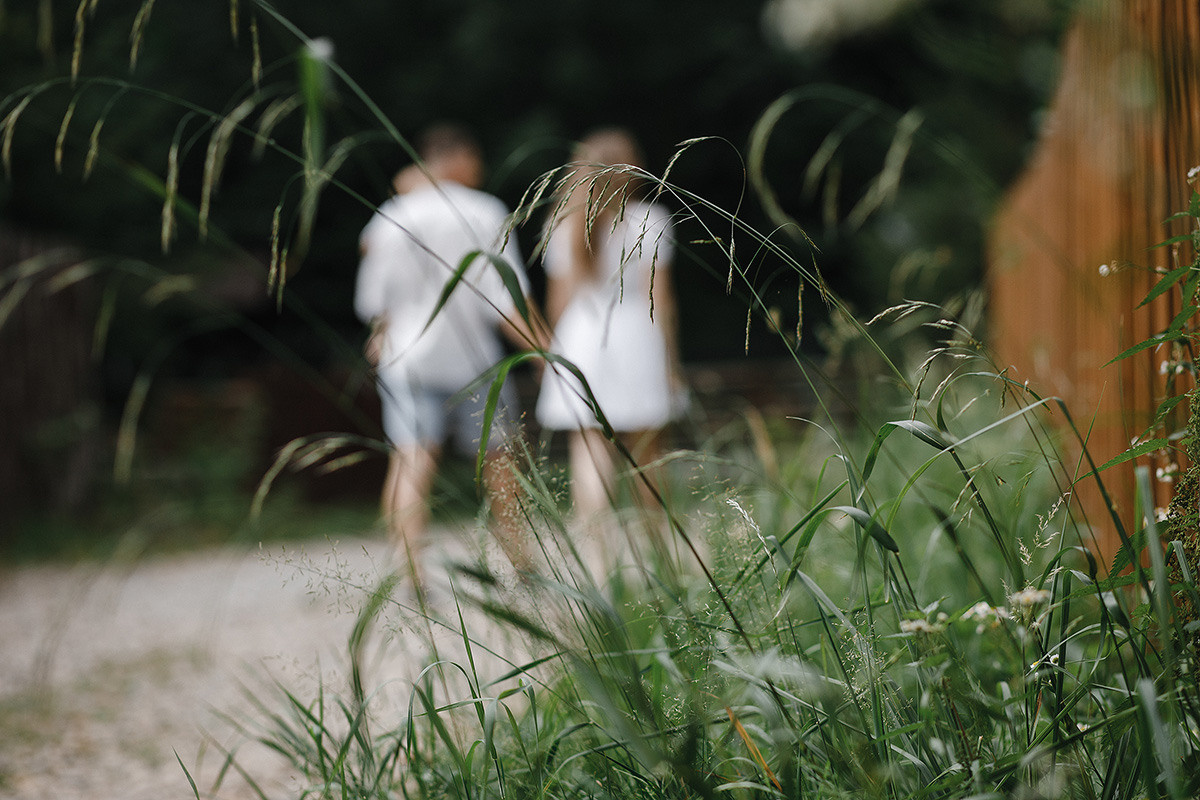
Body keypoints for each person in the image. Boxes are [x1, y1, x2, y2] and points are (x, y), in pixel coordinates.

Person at [354, 124, 541, 577]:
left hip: (408, 359)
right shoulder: (483, 211)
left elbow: (372, 302)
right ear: (456, 157)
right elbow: (505, 299)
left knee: (411, 461)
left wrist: (381, 333)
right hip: (475, 361)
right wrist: (544, 352)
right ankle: (521, 565)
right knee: (501, 463)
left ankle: (410, 571)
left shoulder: (391, 216)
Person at [535, 128, 685, 545]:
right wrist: (672, 363)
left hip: (581, 337)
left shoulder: (562, 223)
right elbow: (662, 300)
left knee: (590, 447)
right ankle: (661, 547)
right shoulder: (651, 220)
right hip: (637, 335)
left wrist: (551, 355)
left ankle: (597, 550)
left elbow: (557, 302)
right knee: (647, 450)